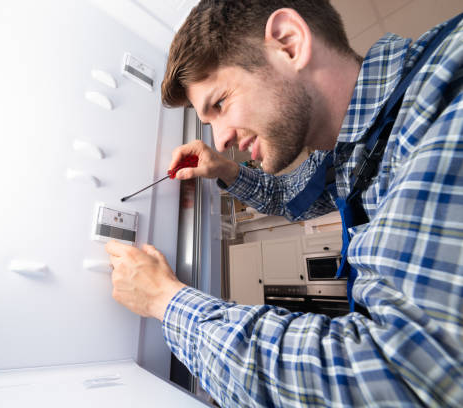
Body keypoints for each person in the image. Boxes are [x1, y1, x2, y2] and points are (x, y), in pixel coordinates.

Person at [106, 0, 463, 406]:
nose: (219, 138)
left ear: (289, 43)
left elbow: (400, 379)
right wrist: (225, 169)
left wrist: (165, 301)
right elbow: (291, 194)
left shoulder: (446, 104)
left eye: (219, 103)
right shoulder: (354, 149)